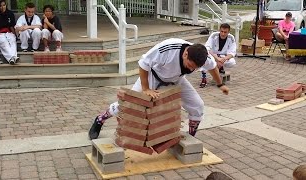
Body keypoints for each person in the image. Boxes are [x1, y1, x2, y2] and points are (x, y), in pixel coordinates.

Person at [88, 38, 229, 140]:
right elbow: (143, 64)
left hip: (177, 79)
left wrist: (220, 84)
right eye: (190, 65)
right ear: (185, 54)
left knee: (198, 106)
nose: (192, 69)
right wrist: (146, 89)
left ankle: (190, 138)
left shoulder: (204, 57)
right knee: (129, 104)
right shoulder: (167, 49)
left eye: (195, 68)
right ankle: (100, 120)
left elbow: (213, 68)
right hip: (153, 76)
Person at [200, 23, 236, 88]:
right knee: (205, 59)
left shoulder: (231, 37)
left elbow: (232, 52)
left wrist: (223, 59)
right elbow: (207, 48)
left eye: (225, 32)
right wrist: (217, 59)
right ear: (219, 30)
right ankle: (204, 78)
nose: (223, 34)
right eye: (221, 31)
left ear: (228, 32)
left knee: (232, 62)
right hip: (213, 55)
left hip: (223, 56)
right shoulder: (214, 35)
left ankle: (220, 67)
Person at [0, 0, 18, 65]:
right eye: (0, 6)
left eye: (4, 5)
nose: (3, 7)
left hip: (9, 32)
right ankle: (12, 58)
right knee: (3, 41)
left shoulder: (10, 13)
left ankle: (13, 58)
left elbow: (11, 26)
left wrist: (15, 35)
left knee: (12, 40)